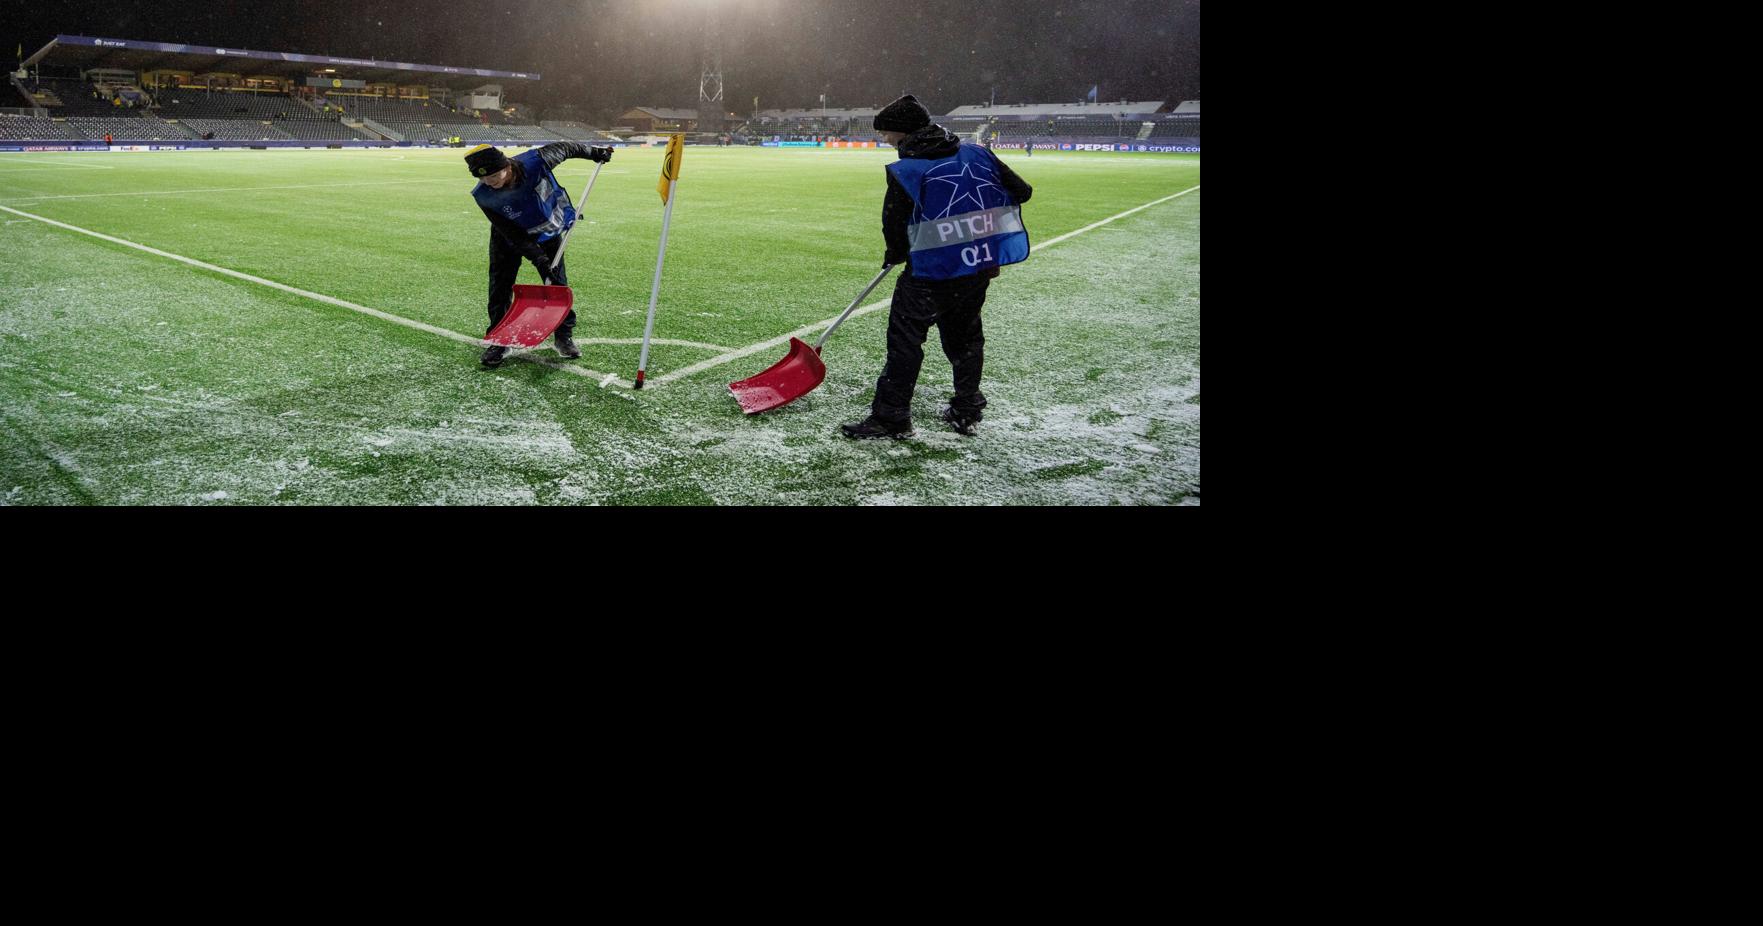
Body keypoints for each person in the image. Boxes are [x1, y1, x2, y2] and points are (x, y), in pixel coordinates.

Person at [841, 94, 1033, 439]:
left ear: (903, 132)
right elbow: (1022, 191)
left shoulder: (907, 169)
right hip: (975, 267)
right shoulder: (977, 152)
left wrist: (895, 253)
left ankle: (892, 417)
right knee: (966, 338)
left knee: (905, 342)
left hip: (929, 273)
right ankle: (967, 410)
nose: (885, 140)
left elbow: (895, 224)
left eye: (887, 133)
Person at [464, 141, 613, 367]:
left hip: (547, 230)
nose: (489, 182)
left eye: (494, 176)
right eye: (483, 178)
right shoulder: (484, 195)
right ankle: (500, 339)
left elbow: (567, 148)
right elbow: (513, 234)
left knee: (557, 283)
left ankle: (563, 336)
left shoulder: (535, 161)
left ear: (507, 165)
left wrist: (595, 153)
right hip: (508, 238)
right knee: (499, 286)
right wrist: (539, 259)